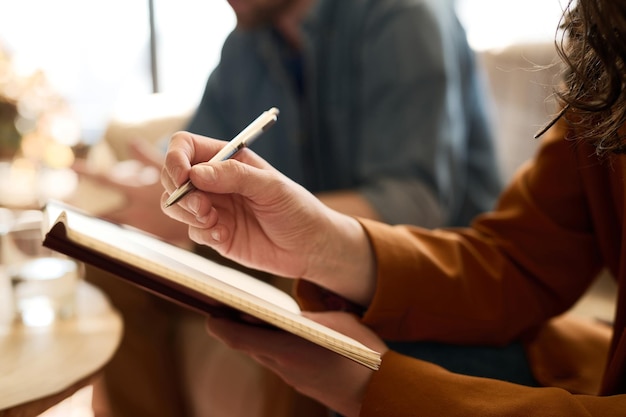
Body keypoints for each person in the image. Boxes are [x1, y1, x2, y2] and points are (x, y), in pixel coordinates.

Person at [159, 0, 626, 414]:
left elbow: (413, 199)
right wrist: (321, 242)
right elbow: (519, 263)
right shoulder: (608, 61)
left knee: (305, 328)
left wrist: (376, 391)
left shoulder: (402, 14)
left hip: (455, 285)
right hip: (444, 282)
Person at [83, 0, 502, 416]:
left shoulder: (403, 14)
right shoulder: (246, 43)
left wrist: (259, 214)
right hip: (287, 242)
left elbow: (412, 203)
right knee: (118, 266)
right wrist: (161, 181)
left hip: (430, 267)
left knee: (304, 288)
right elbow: (202, 146)